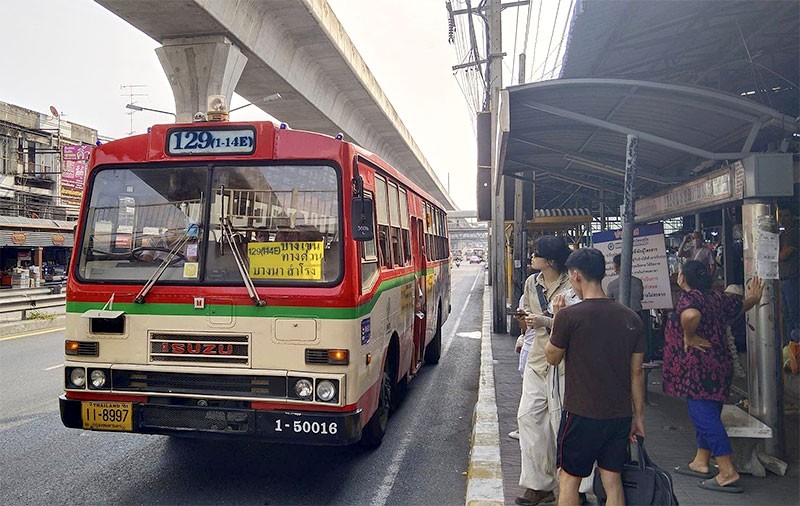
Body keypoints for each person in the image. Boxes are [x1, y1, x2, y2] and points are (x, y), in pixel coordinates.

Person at [544, 248, 646, 506]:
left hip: (581, 413)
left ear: (576, 276)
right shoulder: (631, 318)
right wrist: (638, 418)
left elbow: (552, 357)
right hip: (619, 415)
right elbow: (636, 373)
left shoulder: (568, 316)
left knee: (569, 479)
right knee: (613, 480)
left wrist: (556, 318)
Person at [662, 260, 763, 494]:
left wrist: (689, 335)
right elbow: (738, 307)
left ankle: (727, 470)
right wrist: (754, 300)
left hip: (699, 368)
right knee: (710, 413)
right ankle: (701, 460)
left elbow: (690, 315)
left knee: (703, 417)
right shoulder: (716, 297)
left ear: (682, 279)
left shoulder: (690, 298)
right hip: (719, 365)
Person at [515, 236, 589, 506]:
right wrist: (525, 324)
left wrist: (544, 319)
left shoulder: (573, 283)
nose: (532, 257)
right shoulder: (531, 283)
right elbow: (532, 320)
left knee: (564, 424)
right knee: (529, 419)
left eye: (537, 254)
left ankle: (575, 487)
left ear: (551, 261)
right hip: (538, 359)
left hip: (566, 363)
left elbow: (575, 322)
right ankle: (539, 485)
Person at [779, 207, 798, 343]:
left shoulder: (795, 234)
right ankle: (789, 346)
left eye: (786, 216)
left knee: (794, 314)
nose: (783, 219)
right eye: (781, 216)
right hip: (783, 279)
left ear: (792, 217)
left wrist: (768, 253)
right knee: (786, 315)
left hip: (793, 279)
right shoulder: (782, 235)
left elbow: (784, 255)